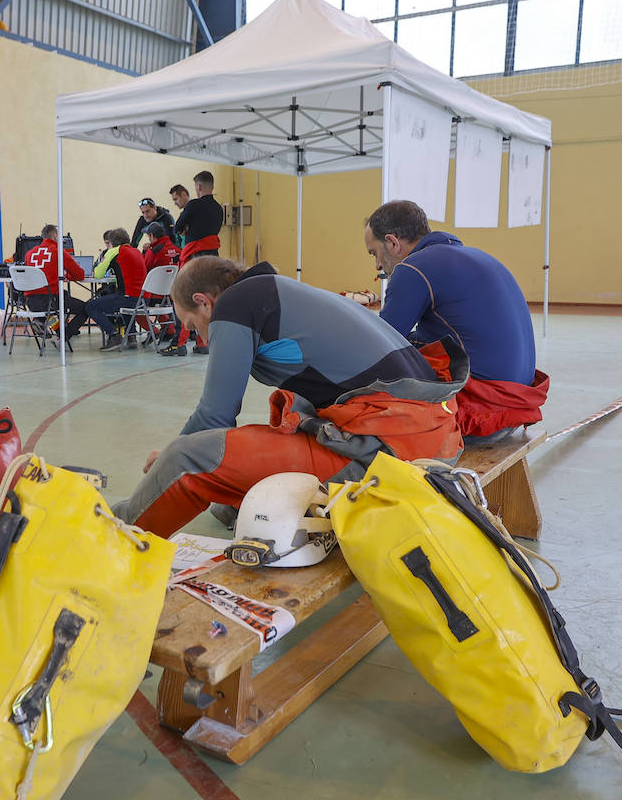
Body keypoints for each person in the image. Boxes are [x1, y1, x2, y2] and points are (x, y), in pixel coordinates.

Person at [111, 257, 468, 538]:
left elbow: (215, 415)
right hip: (430, 435)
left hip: (395, 456)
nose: (200, 338)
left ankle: (112, 533)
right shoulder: (275, 290)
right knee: (237, 486)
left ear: (204, 302)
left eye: (192, 325)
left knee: (185, 458)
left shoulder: (235, 304)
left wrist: (172, 452)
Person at [365, 200, 549, 442]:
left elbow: (382, 344)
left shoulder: (413, 268)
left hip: (482, 412)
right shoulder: (478, 256)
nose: (378, 265)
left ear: (392, 242)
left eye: (375, 253)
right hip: (519, 404)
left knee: (370, 387)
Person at [162, 170, 226, 357]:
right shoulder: (218, 209)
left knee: (184, 297)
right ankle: (203, 341)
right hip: (213, 258)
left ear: (198, 187)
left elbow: (179, 228)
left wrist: (187, 228)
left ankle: (179, 343)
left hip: (193, 258)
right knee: (207, 299)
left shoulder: (193, 205)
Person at [85, 228, 147, 351]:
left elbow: (97, 275)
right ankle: (131, 336)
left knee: (90, 306)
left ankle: (114, 335)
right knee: (124, 304)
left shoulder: (113, 251)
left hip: (127, 298)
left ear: (112, 242)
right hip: (142, 300)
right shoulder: (137, 252)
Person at [23, 224, 88, 340]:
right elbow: (80, 274)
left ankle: (40, 321)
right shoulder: (58, 252)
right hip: (50, 301)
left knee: (64, 294)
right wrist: (67, 276)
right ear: (54, 236)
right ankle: (64, 336)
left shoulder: (29, 254)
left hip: (31, 302)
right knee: (86, 309)